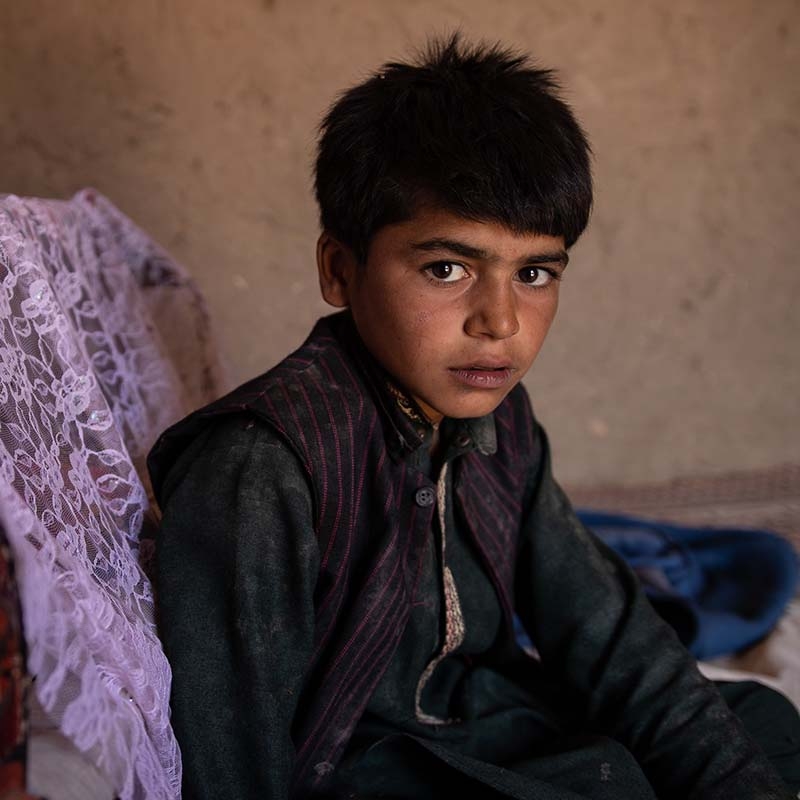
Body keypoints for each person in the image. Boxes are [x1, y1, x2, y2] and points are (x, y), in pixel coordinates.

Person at [147, 35, 799, 799]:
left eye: (533, 273)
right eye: (446, 269)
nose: (499, 321)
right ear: (339, 269)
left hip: (485, 716)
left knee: (758, 723)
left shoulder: (500, 420)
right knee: (610, 783)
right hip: (359, 763)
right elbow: (234, 754)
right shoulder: (262, 466)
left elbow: (604, 630)